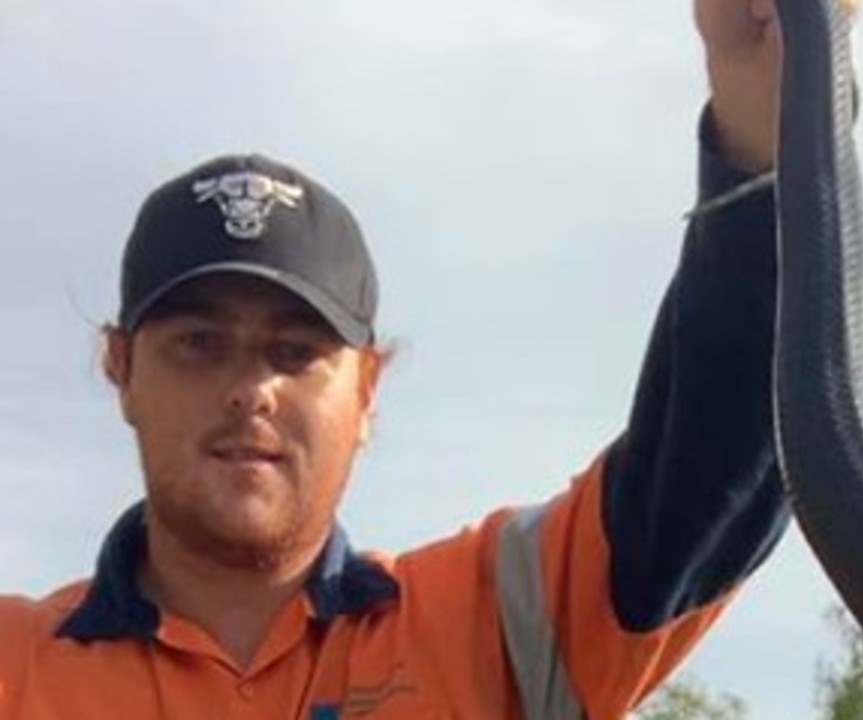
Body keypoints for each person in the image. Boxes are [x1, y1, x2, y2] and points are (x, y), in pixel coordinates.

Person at [0, 0, 792, 717]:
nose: (250, 390)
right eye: (199, 344)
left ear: (367, 388)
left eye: (296, 351)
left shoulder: (499, 622)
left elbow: (720, 448)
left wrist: (764, 124)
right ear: (121, 368)